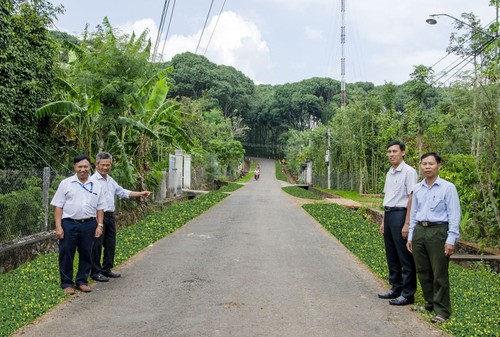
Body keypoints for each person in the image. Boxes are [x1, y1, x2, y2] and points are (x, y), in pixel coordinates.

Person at [407, 152, 461, 324]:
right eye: (424, 164)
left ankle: (442, 310)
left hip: (438, 231)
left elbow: (454, 215)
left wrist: (451, 239)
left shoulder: (447, 187)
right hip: (420, 231)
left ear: (439, 165)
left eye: (431, 163)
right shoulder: (418, 188)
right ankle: (430, 302)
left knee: (439, 272)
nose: (427, 167)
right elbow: (414, 213)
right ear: (421, 166)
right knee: (422, 270)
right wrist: (411, 235)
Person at [90, 151, 151, 282]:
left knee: (110, 244)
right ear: (96, 165)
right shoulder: (92, 181)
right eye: (103, 165)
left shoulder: (110, 180)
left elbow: (122, 192)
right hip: (97, 216)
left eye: (108, 165)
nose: (105, 167)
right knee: (97, 244)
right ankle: (95, 271)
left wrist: (141, 193)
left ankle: (107, 269)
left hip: (110, 216)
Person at [51, 154, 105, 295]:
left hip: (89, 225)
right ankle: (67, 283)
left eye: (85, 166)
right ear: (75, 167)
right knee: (66, 253)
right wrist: (58, 227)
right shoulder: (66, 184)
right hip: (69, 224)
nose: (83, 169)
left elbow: (100, 208)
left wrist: (99, 225)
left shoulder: (97, 185)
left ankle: (82, 281)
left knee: (87, 253)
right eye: (80, 166)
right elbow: (58, 207)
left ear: (90, 168)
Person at [378, 141, 418, 306]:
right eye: (389, 151)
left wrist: (407, 223)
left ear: (403, 152)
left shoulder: (409, 172)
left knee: (404, 256)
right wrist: (383, 220)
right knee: (391, 254)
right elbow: (387, 197)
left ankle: (408, 293)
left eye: (394, 151)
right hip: (389, 214)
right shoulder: (390, 172)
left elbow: (412, 197)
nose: (391, 154)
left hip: (401, 215)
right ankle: (396, 287)